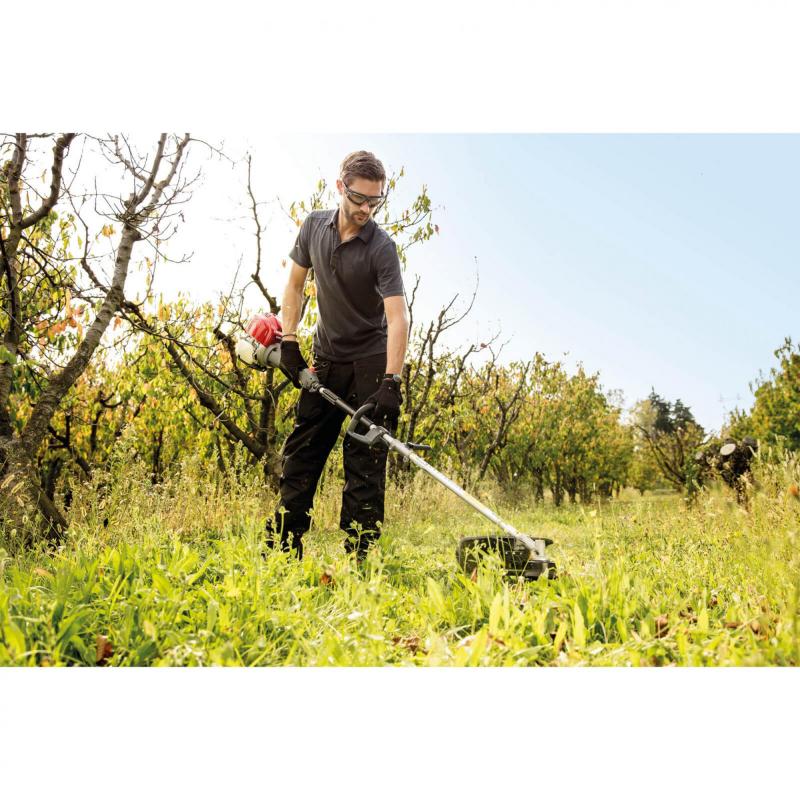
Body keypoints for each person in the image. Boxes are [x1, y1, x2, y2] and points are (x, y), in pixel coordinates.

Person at [265, 151, 410, 562]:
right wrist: (289, 341)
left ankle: (360, 559)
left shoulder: (382, 247)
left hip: (371, 363)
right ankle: (282, 550)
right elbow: (294, 285)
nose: (366, 209)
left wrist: (391, 381)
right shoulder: (314, 226)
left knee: (365, 461)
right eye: (359, 198)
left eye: (375, 201)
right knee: (303, 453)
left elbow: (398, 317)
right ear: (340, 187)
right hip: (326, 358)